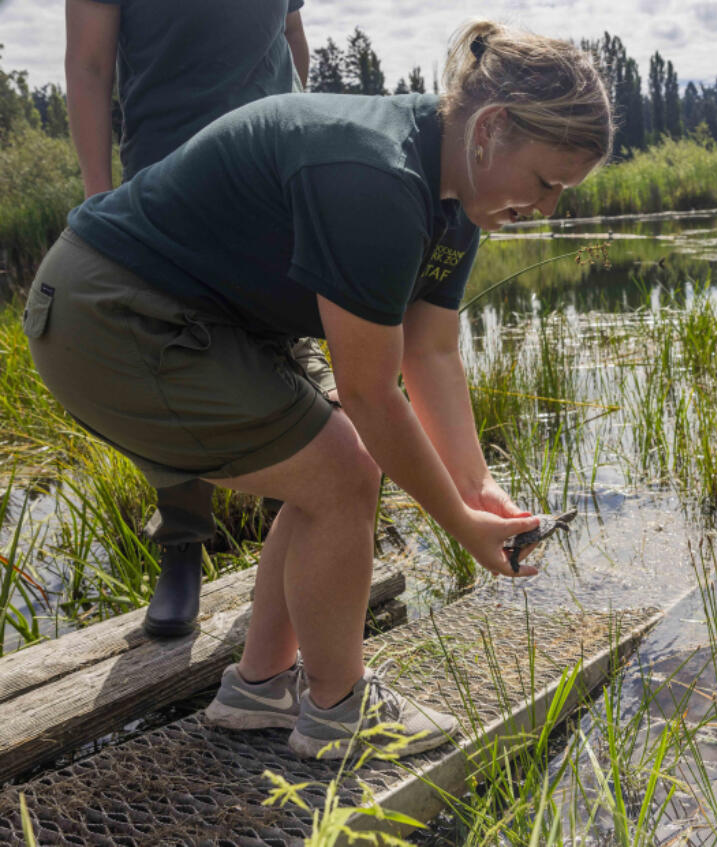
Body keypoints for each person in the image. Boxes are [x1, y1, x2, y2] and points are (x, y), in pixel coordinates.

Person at [27, 20, 612, 758]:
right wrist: (461, 528)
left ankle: (258, 687)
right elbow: (370, 394)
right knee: (343, 471)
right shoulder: (377, 176)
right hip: (107, 315)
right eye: (547, 182)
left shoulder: (453, 195)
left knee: (323, 470)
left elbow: (429, 352)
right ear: (490, 128)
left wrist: (477, 486)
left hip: (190, 322)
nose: (550, 208)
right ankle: (338, 711)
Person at [65, 0, 321, 638]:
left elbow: (291, 33)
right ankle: (182, 547)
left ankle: (299, 535)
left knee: (282, 353)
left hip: (269, 176)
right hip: (164, 179)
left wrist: (303, 128)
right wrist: (100, 199)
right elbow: (89, 66)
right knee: (169, 363)